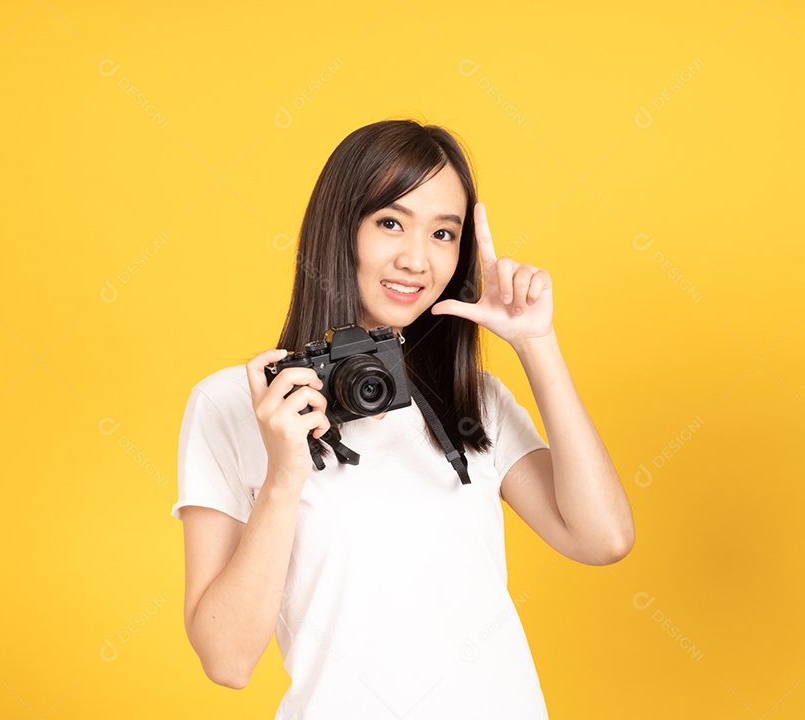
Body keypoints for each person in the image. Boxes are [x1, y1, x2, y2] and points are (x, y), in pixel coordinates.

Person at [172, 118, 635, 718]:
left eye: (444, 233)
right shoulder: (234, 405)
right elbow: (226, 660)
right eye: (390, 222)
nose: (417, 259)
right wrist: (285, 475)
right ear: (341, 231)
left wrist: (536, 343)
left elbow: (603, 538)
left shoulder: (470, 401)